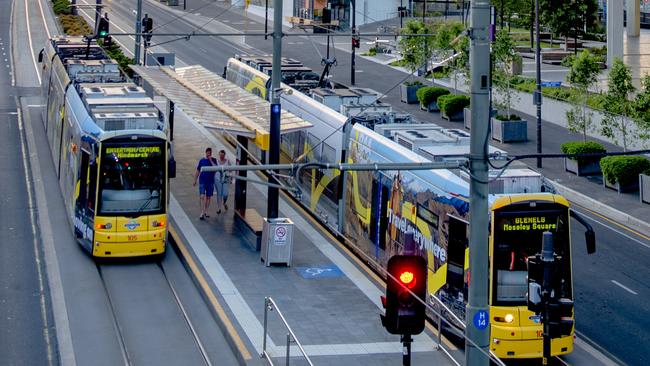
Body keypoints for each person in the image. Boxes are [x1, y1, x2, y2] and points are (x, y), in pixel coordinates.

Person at [193, 147, 217, 220]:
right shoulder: (202, 161)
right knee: (202, 196)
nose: (208, 154)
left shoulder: (214, 160)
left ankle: (206, 211)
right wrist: (195, 180)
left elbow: (216, 168)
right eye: (207, 153)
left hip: (210, 181)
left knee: (208, 197)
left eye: (210, 153)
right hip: (202, 180)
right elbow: (198, 171)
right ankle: (202, 212)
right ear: (205, 152)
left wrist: (210, 160)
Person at [214, 149, 232, 214]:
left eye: (222, 155)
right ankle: (219, 208)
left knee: (225, 194)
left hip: (225, 180)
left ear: (224, 155)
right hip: (218, 179)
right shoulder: (217, 161)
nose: (221, 157)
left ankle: (224, 203)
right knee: (219, 194)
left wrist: (231, 179)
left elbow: (231, 171)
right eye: (220, 155)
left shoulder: (228, 161)